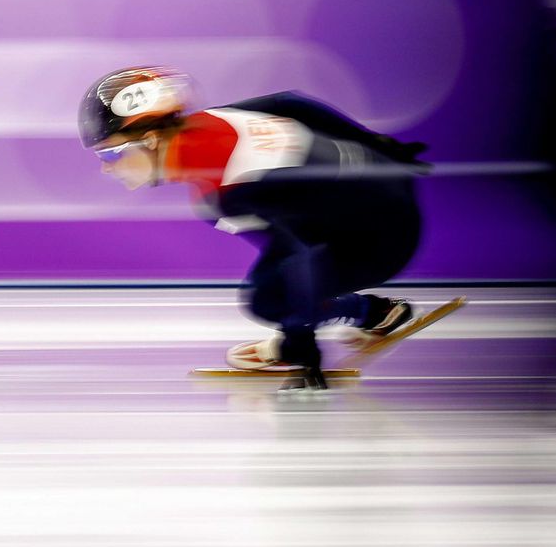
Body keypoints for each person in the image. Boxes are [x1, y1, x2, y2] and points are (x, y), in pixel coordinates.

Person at [79, 67, 430, 390]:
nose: (107, 170)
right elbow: (292, 103)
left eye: (109, 156)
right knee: (277, 286)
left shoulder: (227, 189)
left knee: (267, 300)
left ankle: (371, 313)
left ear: (152, 140)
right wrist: (374, 142)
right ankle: (380, 314)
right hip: (383, 184)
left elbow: (301, 255)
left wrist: (302, 349)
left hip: (383, 239)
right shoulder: (213, 120)